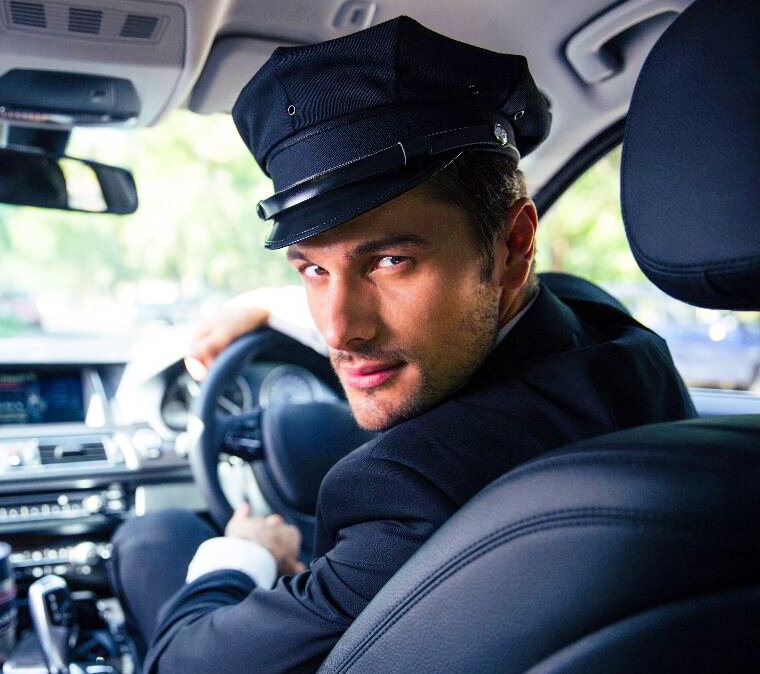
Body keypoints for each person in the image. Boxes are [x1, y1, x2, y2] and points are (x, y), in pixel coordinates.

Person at [110, 16, 696, 674]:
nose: (339, 330)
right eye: (313, 269)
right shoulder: (609, 332)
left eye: (390, 261)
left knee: (153, 536)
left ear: (513, 246)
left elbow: (181, 666)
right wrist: (268, 306)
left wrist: (244, 554)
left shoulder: (407, 489)